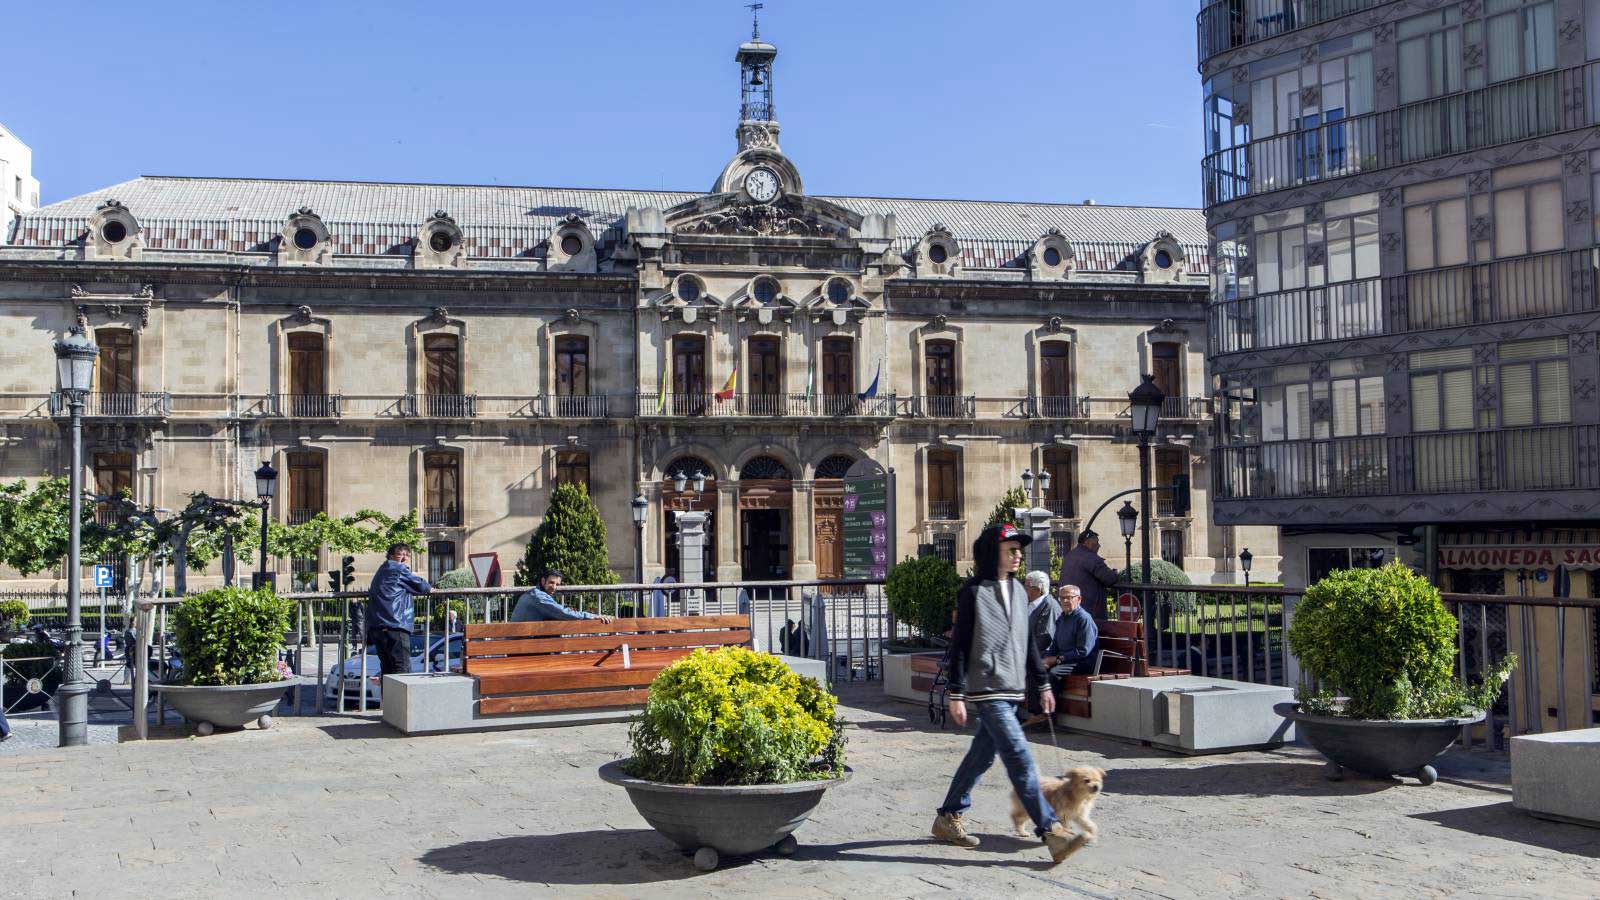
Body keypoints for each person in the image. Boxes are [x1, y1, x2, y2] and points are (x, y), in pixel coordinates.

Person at [932, 523, 1078, 865]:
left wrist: (1042, 683)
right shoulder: (972, 592)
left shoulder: (1016, 589)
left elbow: (1027, 643)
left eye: (1019, 550)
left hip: (1013, 689)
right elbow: (960, 645)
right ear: (992, 552)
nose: (1017, 556)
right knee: (1019, 758)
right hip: (987, 690)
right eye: (1010, 550)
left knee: (980, 756)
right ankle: (1052, 830)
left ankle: (948, 816)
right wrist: (955, 691)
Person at [366, 543, 431, 677]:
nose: (404, 558)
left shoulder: (382, 569)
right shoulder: (398, 569)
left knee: (387, 670)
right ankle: (400, 699)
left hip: (377, 627)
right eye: (400, 555)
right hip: (395, 624)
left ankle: (388, 698)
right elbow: (422, 586)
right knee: (402, 670)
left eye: (407, 555)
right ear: (390, 556)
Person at [1045, 584, 1100, 688]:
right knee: (1036, 670)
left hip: (1080, 662)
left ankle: (1053, 704)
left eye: (1068, 597)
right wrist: (1047, 660)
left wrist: (1058, 659)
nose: (1064, 601)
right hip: (1064, 660)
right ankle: (1036, 704)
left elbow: (1083, 651)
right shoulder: (1062, 617)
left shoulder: (1083, 619)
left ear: (1079, 599)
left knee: (1051, 675)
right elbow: (1055, 644)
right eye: (1061, 598)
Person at [1060, 529, 1120, 622]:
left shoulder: (1069, 556)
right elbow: (1109, 578)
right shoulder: (1091, 558)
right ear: (1087, 543)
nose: (1099, 546)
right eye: (1096, 543)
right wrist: (1115, 573)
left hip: (1070, 608)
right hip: (1089, 611)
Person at [510, 570, 616, 623]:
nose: (554, 587)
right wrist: (594, 616)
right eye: (551, 583)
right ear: (543, 581)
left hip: (520, 645)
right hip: (522, 649)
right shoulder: (538, 597)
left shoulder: (533, 593)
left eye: (557, 584)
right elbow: (563, 613)